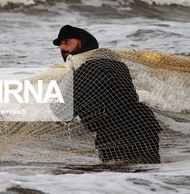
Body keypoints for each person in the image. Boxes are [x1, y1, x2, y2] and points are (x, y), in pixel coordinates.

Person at [53, 25, 162, 164]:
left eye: (67, 42)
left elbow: (63, 113)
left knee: (120, 179)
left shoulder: (85, 70)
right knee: (142, 178)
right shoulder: (114, 63)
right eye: (60, 45)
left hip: (118, 136)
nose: (62, 48)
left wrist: (60, 85)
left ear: (83, 42)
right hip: (144, 127)